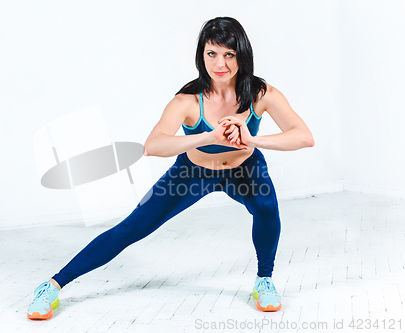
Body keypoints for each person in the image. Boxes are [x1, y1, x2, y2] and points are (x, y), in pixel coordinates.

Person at [27, 16, 314, 319]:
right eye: (212, 54)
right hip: (193, 174)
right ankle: (53, 285)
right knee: (133, 227)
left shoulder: (260, 93)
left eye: (229, 54)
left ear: (241, 54)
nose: (221, 64)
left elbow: (303, 136)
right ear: (201, 56)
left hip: (244, 169)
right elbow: (153, 145)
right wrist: (209, 136)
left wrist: (252, 138)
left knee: (267, 209)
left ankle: (264, 280)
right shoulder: (188, 99)